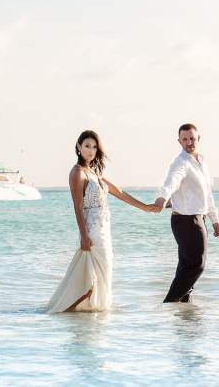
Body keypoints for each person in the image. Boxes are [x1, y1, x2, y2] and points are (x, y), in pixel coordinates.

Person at [46, 130, 159, 313]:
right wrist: (83, 236)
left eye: (94, 147)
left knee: (104, 271)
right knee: (93, 274)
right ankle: (76, 310)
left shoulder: (94, 173)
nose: (91, 151)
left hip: (104, 231)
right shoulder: (77, 173)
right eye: (87, 146)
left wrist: (146, 207)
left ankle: (91, 313)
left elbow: (120, 193)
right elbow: (78, 207)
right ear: (78, 147)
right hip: (92, 231)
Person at [153, 123, 219, 303]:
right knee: (196, 266)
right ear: (179, 141)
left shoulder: (201, 161)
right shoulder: (181, 162)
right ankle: (169, 303)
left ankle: (183, 313)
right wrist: (162, 198)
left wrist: (214, 219)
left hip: (198, 218)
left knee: (186, 267)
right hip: (185, 221)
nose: (189, 142)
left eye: (192, 138)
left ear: (198, 139)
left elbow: (207, 193)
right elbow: (172, 181)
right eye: (184, 139)